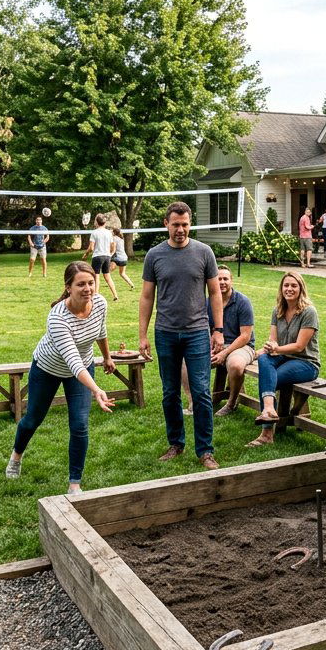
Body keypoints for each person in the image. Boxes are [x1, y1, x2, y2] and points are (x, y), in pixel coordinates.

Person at [5, 261, 115, 495]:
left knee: (79, 425)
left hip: (82, 370)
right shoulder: (57, 318)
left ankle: (74, 483)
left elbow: (101, 331)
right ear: (68, 287)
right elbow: (72, 361)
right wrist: (96, 389)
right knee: (32, 419)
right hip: (48, 369)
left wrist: (106, 357)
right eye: (81, 284)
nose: (88, 289)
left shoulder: (100, 304)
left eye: (91, 283)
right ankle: (16, 455)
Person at [138, 201, 224, 470]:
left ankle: (205, 450)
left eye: (185, 224)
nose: (181, 229)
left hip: (197, 332)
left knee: (201, 393)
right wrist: (142, 335)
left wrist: (218, 330)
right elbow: (146, 296)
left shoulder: (204, 252)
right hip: (165, 332)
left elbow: (215, 292)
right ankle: (176, 443)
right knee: (169, 393)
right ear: (166, 224)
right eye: (176, 224)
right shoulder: (154, 255)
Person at [247, 271, 320, 449]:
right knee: (265, 362)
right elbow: (273, 341)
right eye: (286, 285)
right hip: (283, 358)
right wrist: (258, 353)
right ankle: (270, 411)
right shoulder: (278, 310)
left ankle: (267, 432)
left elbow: (299, 346)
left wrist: (275, 349)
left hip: (306, 362)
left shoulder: (309, 312)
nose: (289, 289)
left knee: (269, 378)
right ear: (281, 288)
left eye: (294, 286)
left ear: (301, 288)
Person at [209, 267, 256, 416]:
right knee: (188, 359)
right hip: (218, 345)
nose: (222, 282)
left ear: (231, 281)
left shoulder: (242, 302)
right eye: (219, 279)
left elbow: (245, 336)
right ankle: (195, 402)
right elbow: (206, 329)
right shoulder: (208, 301)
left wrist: (224, 353)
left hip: (241, 346)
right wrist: (210, 347)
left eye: (225, 279)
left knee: (235, 365)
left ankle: (231, 403)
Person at [83, 214, 119, 301]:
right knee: (107, 276)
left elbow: (91, 248)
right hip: (107, 256)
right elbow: (112, 245)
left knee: (96, 276)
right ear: (105, 222)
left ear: (96, 221)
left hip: (97, 257)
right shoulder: (109, 233)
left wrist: (86, 254)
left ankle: (96, 296)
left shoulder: (94, 232)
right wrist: (109, 253)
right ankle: (115, 295)